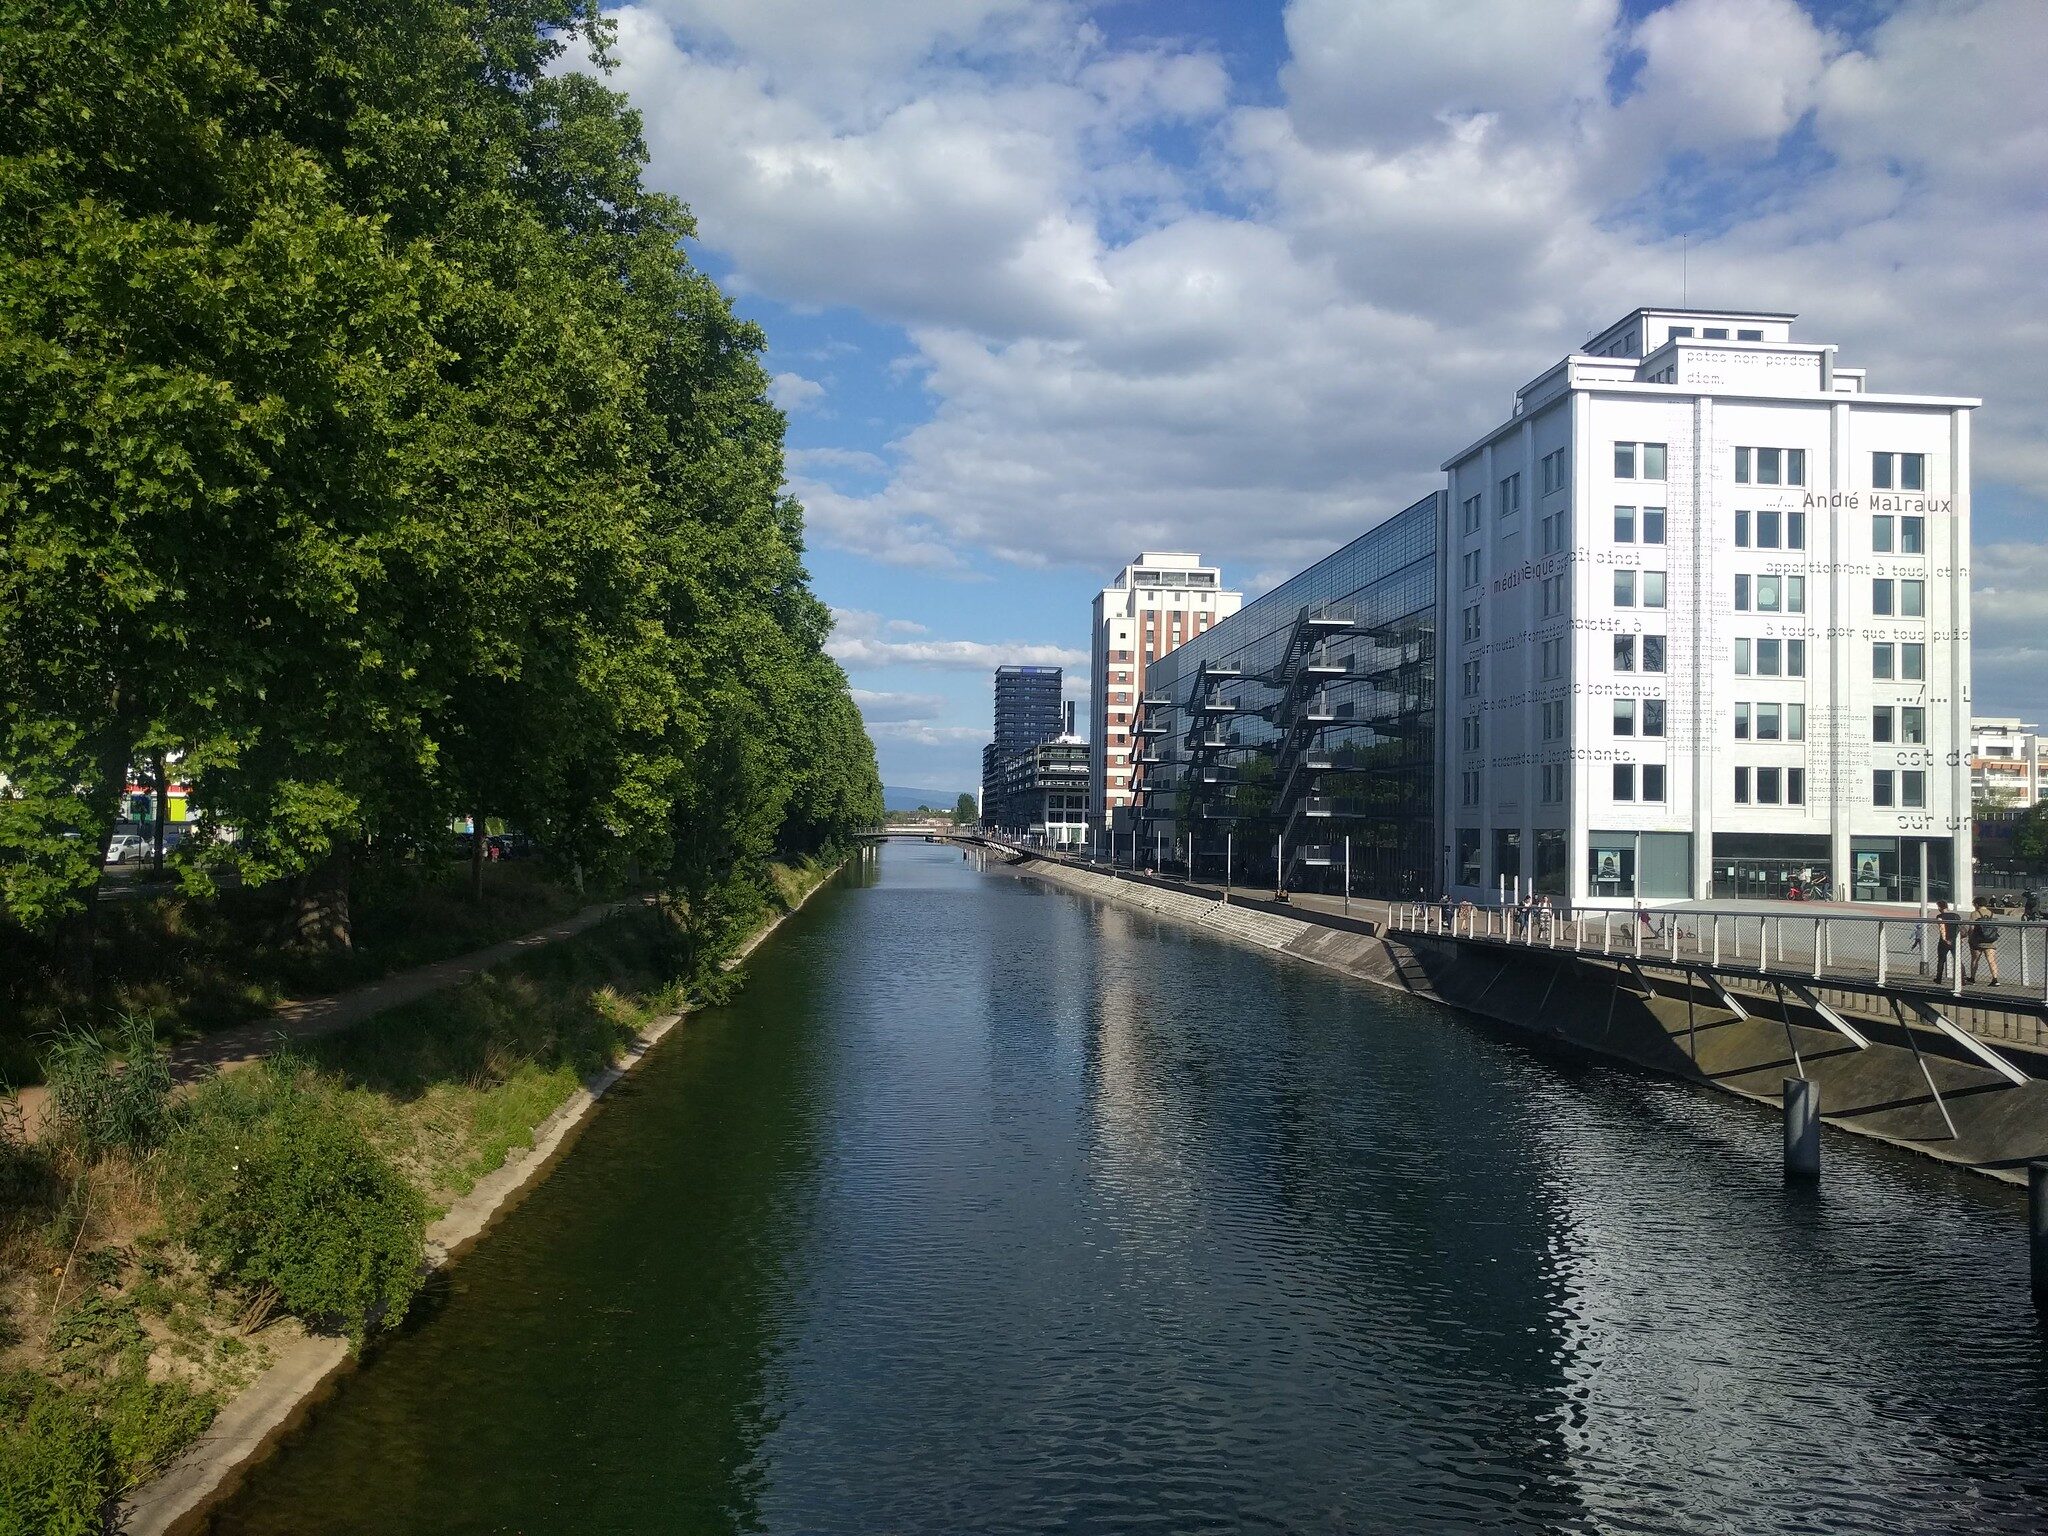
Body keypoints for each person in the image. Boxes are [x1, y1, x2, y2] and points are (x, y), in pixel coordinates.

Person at [1968, 898, 2002, 986]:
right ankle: (1995, 979)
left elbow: (1971, 928)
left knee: (1975, 960)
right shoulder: (1992, 914)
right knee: (1991, 960)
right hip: (1990, 940)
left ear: (1976, 904)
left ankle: (1972, 978)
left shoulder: (1974, 914)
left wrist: (1970, 939)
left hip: (1977, 940)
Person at [1934, 899, 1962, 985]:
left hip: (1945, 941)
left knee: (1941, 960)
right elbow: (1960, 928)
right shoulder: (1956, 916)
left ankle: (1939, 978)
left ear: (1939, 907)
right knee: (1957, 959)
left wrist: (1945, 939)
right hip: (1955, 939)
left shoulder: (1940, 916)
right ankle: (1962, 978)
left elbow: (1942, 928)